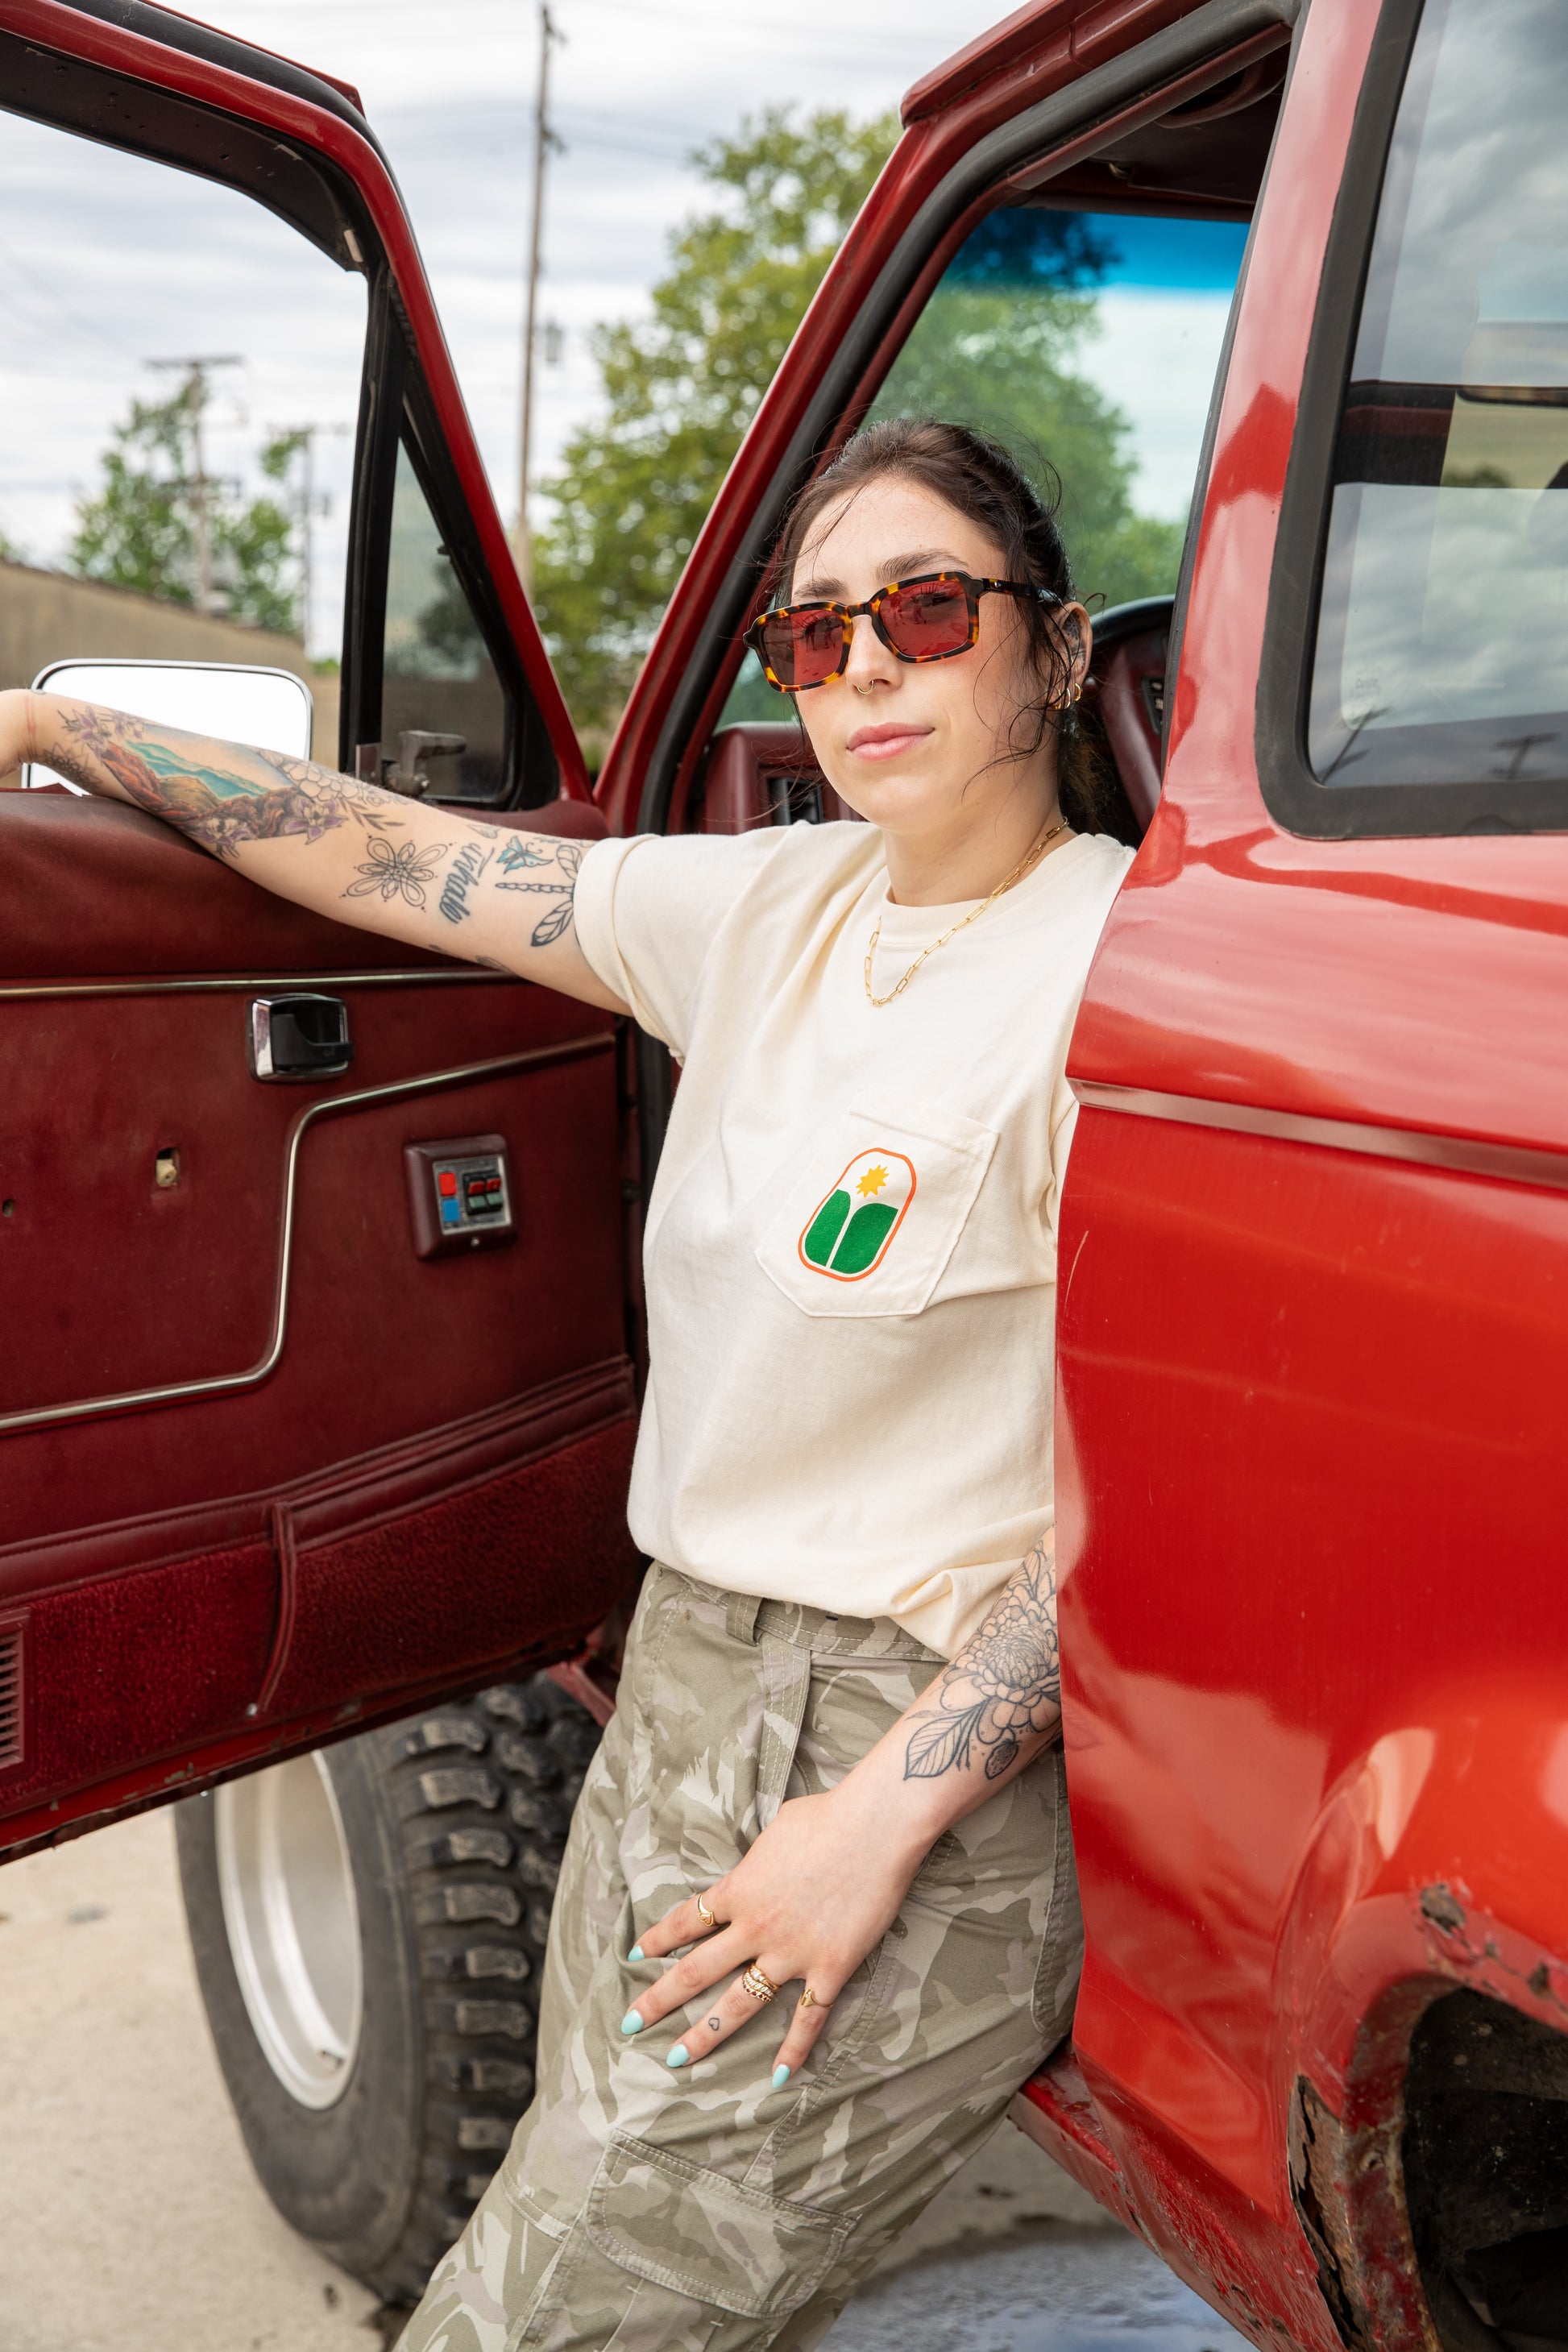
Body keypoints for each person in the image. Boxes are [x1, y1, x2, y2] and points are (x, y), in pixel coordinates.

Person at [0, 419, 1134, 2350]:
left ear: (1057, 646)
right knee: (583, 2226)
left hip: (911, 1755)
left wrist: (871, 1826)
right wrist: (55, 726)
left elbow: (1149, 1504)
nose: (866, 664)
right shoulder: (764, 909)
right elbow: (390, 855)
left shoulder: (1120, 971)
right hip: (681, 1683)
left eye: (929, 611)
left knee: (534, 2320)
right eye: (815, 632)